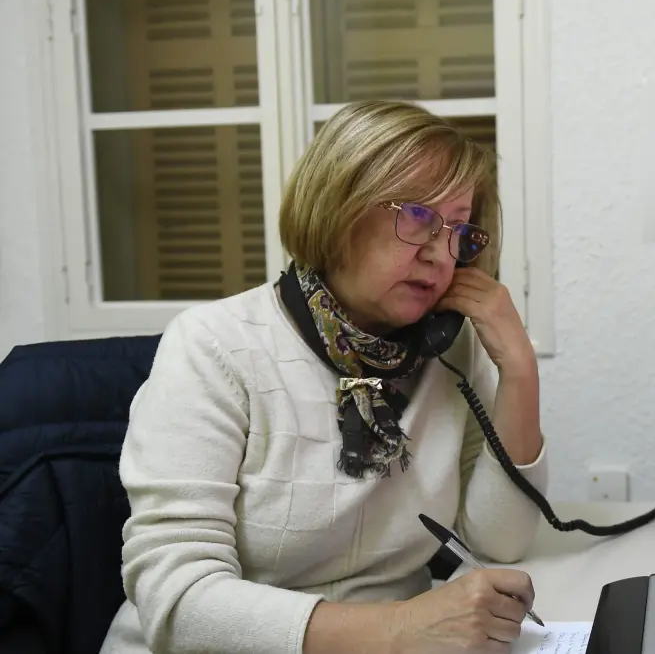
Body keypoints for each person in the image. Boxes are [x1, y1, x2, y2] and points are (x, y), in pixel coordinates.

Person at [100, 100, 549, 654]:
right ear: (339, 209)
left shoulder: (451, 347)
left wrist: (518, 370)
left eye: (459, 230)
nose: (441, 255)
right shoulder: (214, 345)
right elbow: (177, 600)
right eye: (417, 216)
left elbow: (499, 541)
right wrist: (401, 629)